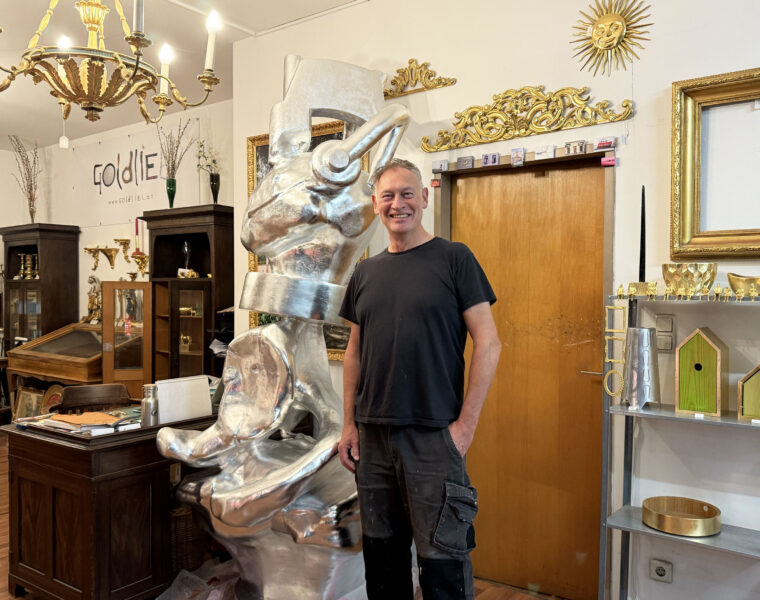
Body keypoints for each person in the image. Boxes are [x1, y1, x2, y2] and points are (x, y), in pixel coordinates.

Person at [338, 158, 501, 600]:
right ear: (375, 204)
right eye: (388, 196)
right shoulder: (365, 272)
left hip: (434, 439)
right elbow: (354, 353)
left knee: (443, 572)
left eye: (407, 193)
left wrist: (464, 428)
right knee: (383, 569)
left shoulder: (455, 259)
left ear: (425, 197)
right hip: (372, 441)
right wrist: (349, 424)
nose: (398, 204)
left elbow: (489, 344)